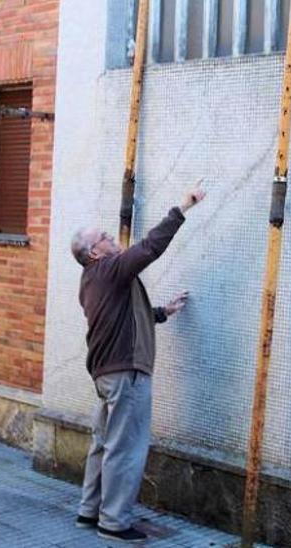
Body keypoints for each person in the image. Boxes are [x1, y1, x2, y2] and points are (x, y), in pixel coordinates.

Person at [69, 183, 206, 543]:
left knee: (103, 444)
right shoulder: (110, 269)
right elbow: (150, 247)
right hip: (125, 374)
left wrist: (163, 312)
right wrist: (183, 207)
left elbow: (125, 317)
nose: (111, 238)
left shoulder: (93, 279)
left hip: (106, 374)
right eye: (103, 237)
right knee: (126, 447)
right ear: (94, 252)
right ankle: (114, 523)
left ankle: (89, 511)